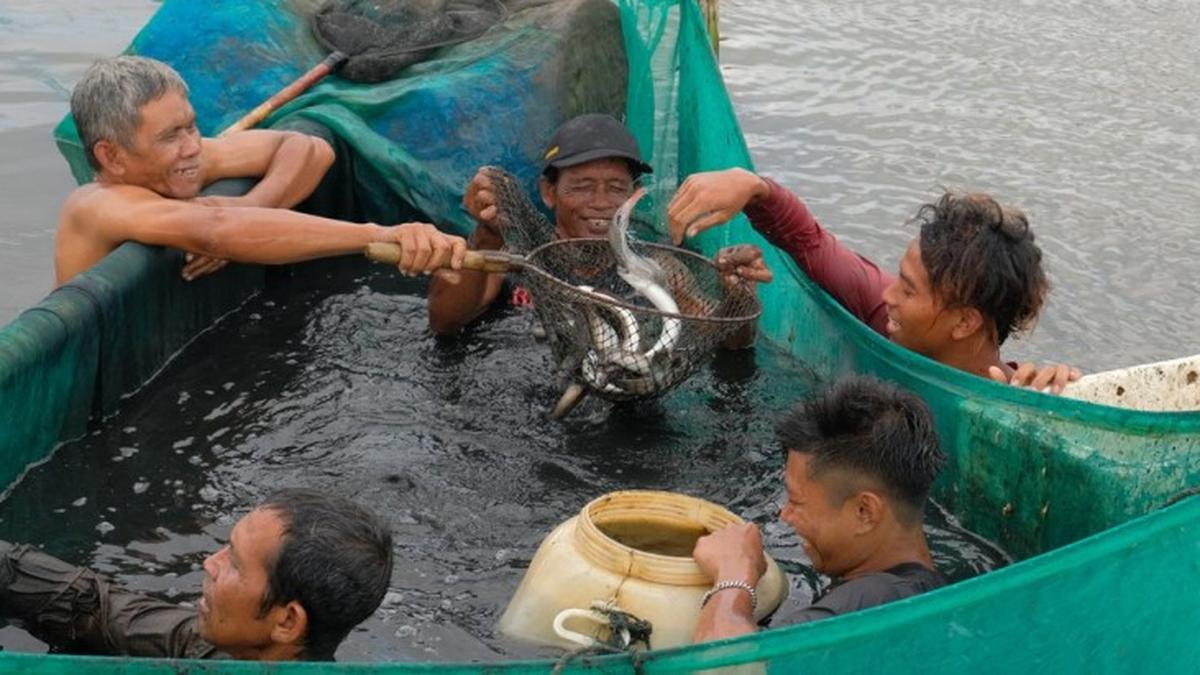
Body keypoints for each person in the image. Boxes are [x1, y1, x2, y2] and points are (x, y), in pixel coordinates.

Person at [56, 56, 467, 285]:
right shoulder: (99, 206)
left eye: (192, 125)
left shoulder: (185, 161)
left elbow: (309, 148)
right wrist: (378, 234)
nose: (192, 146)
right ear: (111, 157)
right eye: (169, 136)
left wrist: (253, 204)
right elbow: (213, 229)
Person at [667, 169, 1082, 393]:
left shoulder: (1022, 397)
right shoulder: (891, 320)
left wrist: (1073, 398)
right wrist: (753, 186)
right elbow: (809, 242)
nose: (887, 294)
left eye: (907, 289)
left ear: (965, 322)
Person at [426, 113, 773, 340]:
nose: (601, 201)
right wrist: (485, 232)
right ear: (549, 193)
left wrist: (737, 293)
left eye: (616, 187)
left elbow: (726, 340)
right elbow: (445, 322)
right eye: (582, 186)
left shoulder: (659, 267)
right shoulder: (510, 255)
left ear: (634, 196)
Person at [692, 375, 947, 642]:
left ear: (865, 512)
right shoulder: (926, 592)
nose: (785, 515)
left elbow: (724, 667)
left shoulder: (863, 607)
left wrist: (734, 574)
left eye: (796, 501)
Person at [0, 489, 392, 661]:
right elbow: (96, 608)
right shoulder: (223, 648)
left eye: (234, 564)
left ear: (287, 621)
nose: (209, 563)